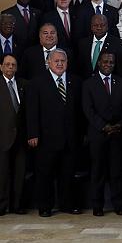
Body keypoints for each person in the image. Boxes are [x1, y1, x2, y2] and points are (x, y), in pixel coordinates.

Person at [27, 49, 83, 217]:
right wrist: (32, 134)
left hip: (70, 138)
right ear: (48, 63)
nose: (59, 64)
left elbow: (79, 112)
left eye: (62, 61)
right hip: (46, 138)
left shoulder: (75, 81)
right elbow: (31, 111)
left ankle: (67, 204)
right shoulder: (37, 83)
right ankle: (45, 206)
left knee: (68, 173)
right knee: (45, 174)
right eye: (56, 61)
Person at [82, 52, 122, 216]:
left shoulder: (121, 82)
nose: (108, 64)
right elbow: (88, 110)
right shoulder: (89, 83)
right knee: (98, 171)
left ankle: (118, 204)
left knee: (116, 171)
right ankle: (97, 205)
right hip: (97, 135)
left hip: (117, 134)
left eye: (111, 62)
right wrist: (104, 126)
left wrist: (119, 125)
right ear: (99, 63)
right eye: (105, 61)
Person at [0, 54, 27, 215]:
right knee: (2, 173)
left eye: (13, 65)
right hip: (2, 136)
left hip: (20, 137)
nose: (10, 67)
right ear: (1, 66)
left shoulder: (23, 84)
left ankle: (17, 205)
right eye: (8, 64)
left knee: (20, 173)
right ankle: (2, 205)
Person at [76, 14, 122, 78]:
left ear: (107, 26)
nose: (99, 28)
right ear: (91, 27)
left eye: (102, 25)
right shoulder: (83, 43)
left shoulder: (119, 44)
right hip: (87, 85)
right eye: (95, 25)